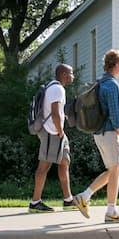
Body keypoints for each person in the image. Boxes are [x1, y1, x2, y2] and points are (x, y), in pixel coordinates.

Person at [72, 49, 119, 223]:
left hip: (98, 133)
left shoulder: (100, 83)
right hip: (109, 133)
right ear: (116, 65)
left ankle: (84, 196)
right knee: (116, 170)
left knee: (113, 170)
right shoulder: (112, 85)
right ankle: (111, 212)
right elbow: (115, 115)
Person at [28, 63, 75, 213]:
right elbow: (54, 112)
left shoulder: (54, 87)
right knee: (44, 167)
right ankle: (35, 203)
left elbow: (57, 111)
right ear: (63, 74)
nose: (72, 76)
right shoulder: (57, 89)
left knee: (64, 162)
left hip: (56, 132)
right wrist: (60, 130)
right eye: (71, 73)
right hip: (52, 132)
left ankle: (68, 200)